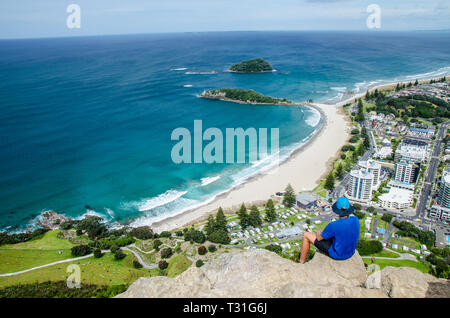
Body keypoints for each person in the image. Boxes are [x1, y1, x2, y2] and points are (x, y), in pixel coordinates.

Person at [299, 196, 360, 263]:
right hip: (350, 252)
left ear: (337, 210)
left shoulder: (333, 225)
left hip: (338, 255)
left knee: (306, 235)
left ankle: (302, 261)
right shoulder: (356, 219)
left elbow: (319, 238)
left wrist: (318, 232)